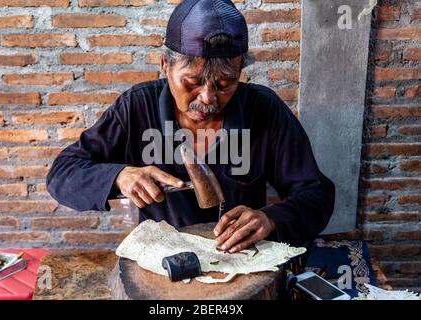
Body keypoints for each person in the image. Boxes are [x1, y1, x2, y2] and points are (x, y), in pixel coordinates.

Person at [46, 0, 335, 253]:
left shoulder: (264, 109)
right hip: (163, 260)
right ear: (165, 66)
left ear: (239, 74)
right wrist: (120, 175)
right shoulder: (136, 107)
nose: (208, 98)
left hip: (242, 259)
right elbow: (62, 174)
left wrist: (271, 218)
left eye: (225, 84)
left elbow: (316, 194)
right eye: (193, 82)